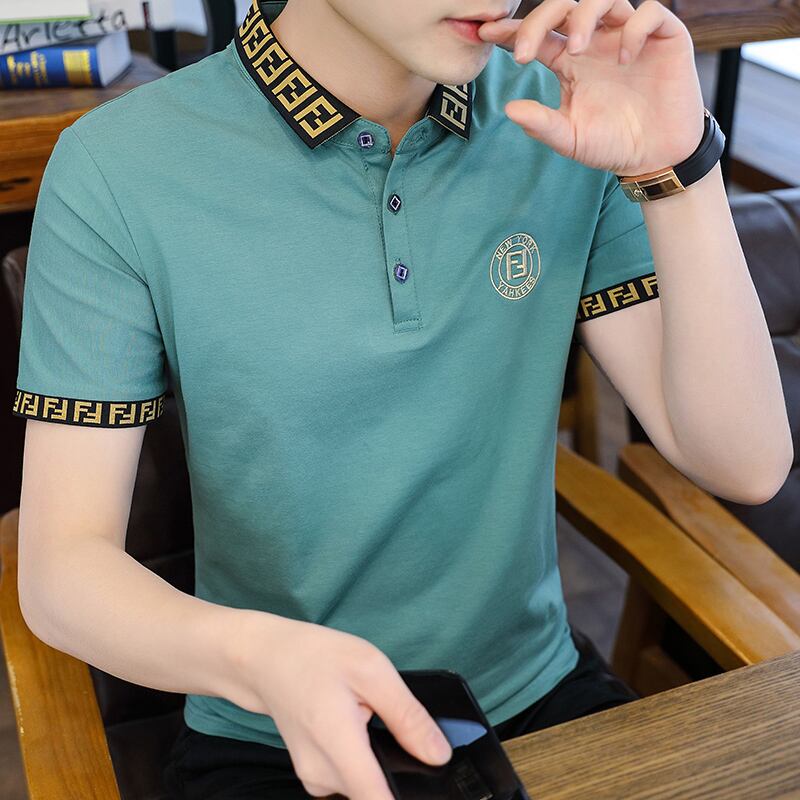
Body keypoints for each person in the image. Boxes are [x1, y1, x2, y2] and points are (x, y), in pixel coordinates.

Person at [12, 0, 792, 798]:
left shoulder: (567, 107)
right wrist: (258, 657)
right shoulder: (119, 165)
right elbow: (62, 569)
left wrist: (680, 167)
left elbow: (746, 463)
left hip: (537, 696)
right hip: (270, 735)